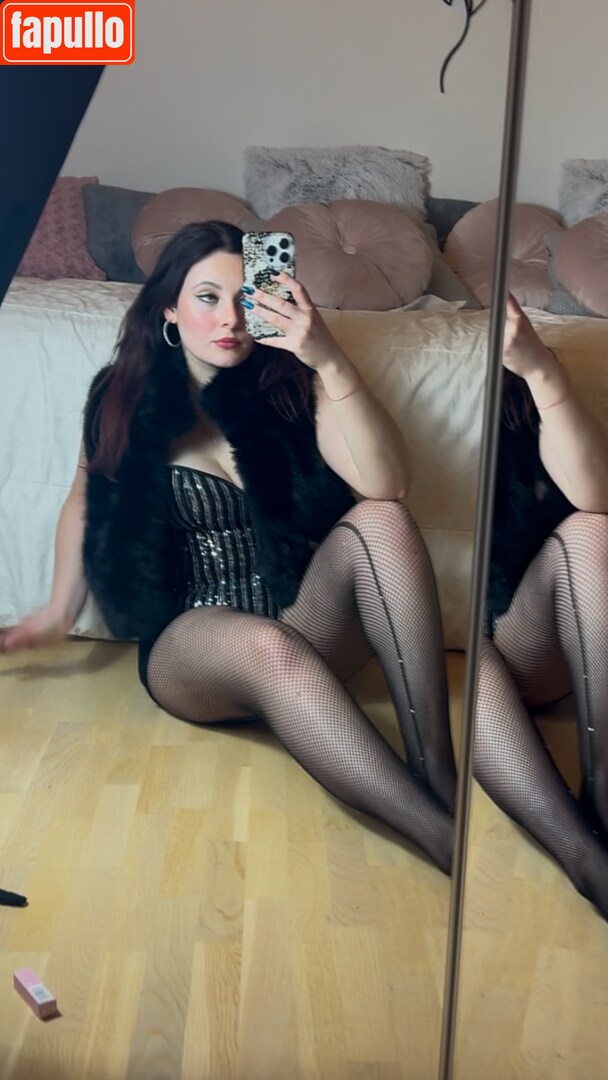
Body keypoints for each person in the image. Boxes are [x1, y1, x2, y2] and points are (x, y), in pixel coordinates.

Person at [0, 220, 457, 873]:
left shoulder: (295, 382)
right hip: (197, 643)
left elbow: (389, 485)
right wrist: (55, 611)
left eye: (246, 298)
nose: (230, 319)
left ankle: (437, 773)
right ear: (169, 307)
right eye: (208, 297)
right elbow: (84, 502)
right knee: (267, 646)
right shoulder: (123, 395)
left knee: (383, 519)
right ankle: (445, 840)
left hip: (308, 622)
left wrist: (327, 357)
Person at [476, 294, 608, 918]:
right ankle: (589, 863)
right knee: (466, 680)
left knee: (590, 531)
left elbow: (595, 498)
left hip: (526, 626)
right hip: (417, 627)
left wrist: (538, 370)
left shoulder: (523, 379)